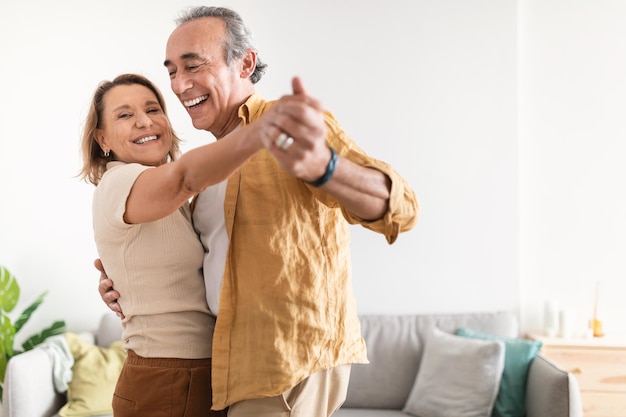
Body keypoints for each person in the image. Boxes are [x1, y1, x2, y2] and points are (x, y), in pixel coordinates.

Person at [98, 6, 420, 417]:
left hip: (286, 360)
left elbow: (401, 209)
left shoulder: (290, 126)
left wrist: (327, 169)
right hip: (232, 364)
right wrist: (129, 282)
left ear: (245, 62)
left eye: (193, 66)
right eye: (173, 71)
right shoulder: (210, 164)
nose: (180, 84)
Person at [82, 72, 324, 417]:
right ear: (102, 138)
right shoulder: (120, 181)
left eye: (153, 109)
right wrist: (259, 131)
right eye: (124, 115)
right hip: (170, 374)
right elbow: (186, 176)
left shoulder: (172, 197)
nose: (144, 121)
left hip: (195, 371)